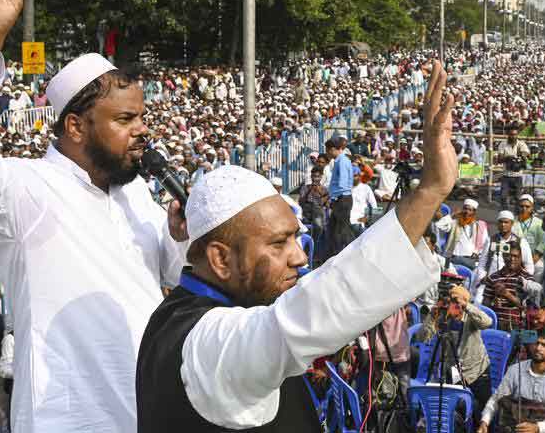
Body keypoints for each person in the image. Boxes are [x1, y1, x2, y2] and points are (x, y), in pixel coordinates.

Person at [0, 0, 189, 432]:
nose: (142, 132)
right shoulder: (27, 190)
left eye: (141, 117)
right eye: (124, 120)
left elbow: (175, 278)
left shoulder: (134, 194)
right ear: (75, 126)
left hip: (147, 410)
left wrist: (181, 237)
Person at [135, 59, 458, 431]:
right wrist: (430, 191)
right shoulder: (204, 344)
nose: (300, 256)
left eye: (294, 236)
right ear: (220, 259)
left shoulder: (208, 298)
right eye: (278, 243)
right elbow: (299, 320)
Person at [414, 282, 495, 410]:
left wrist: (465, 305)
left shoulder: (470, 317)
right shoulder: (443, 316)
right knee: (454, 407)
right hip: (453, 372)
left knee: (483, 408)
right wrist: (432, 316)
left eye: (453, 301)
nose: (450, 305)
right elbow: (422, 338)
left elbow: (487, 322)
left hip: (476, 371)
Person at [478, 328, 545, 433]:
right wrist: (484, 422)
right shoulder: (515, 370)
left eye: (544, 345)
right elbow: (496, 399)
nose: (538, 348)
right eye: (536, 343)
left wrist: (538, 428)